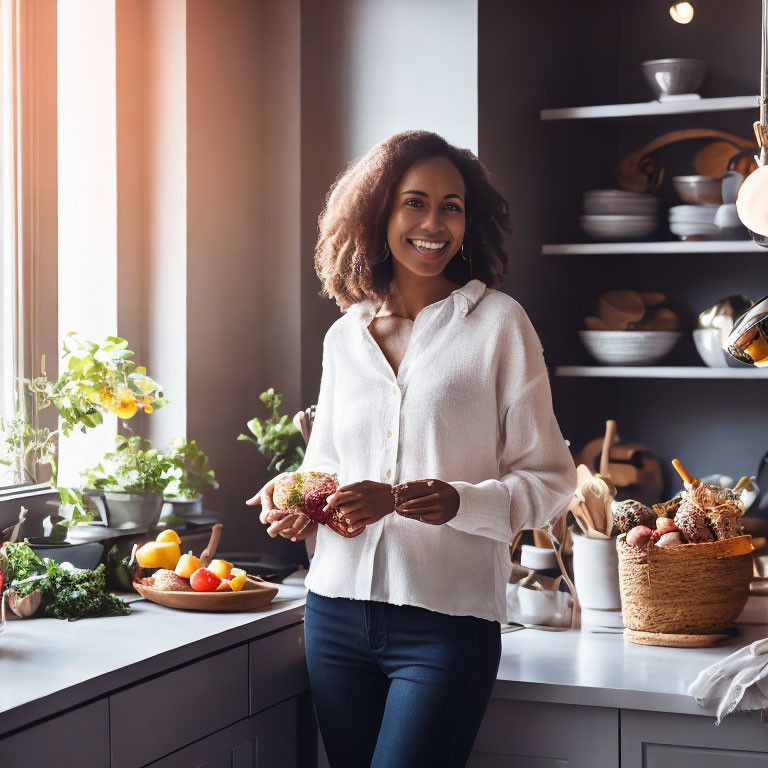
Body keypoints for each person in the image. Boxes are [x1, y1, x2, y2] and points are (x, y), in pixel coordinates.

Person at [247, 130, 576, 768]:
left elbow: (550, 481)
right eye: (415, 203)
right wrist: (298, 500)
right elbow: (329, 465)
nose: (434, 224)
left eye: (451, 206)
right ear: (379, 214)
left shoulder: (500, 325)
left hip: (447, 623)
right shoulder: (345, 337)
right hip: (335, 614)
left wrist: (455, 501)